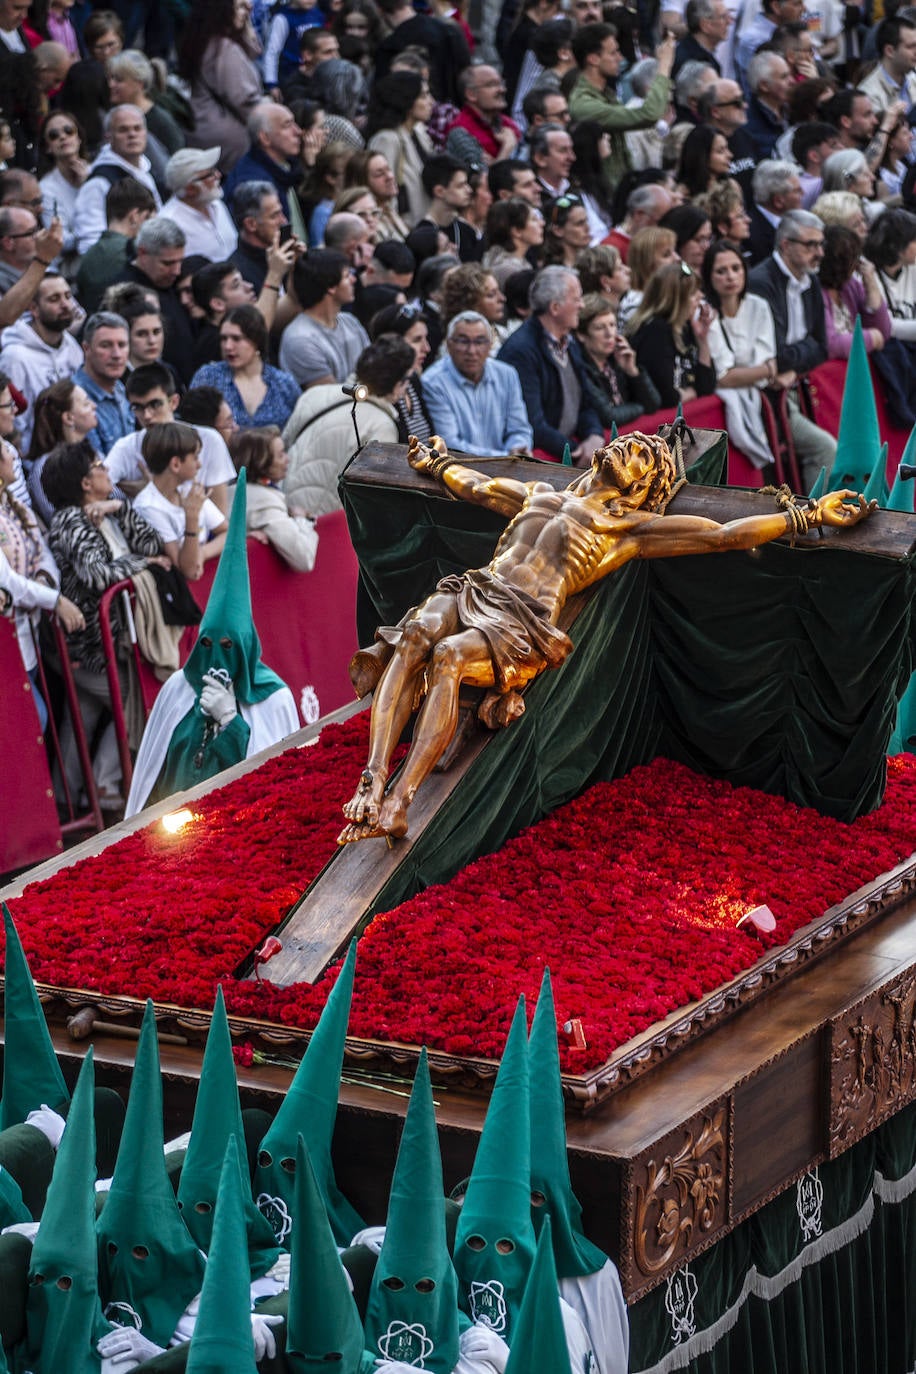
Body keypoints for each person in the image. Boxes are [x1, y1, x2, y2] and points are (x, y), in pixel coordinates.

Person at [339, 431, 874, 842]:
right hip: (477, 587)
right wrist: (435, 463)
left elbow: (723, 535)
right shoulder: (537, 493)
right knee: (414, 636)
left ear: (641, 486)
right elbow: (475, 485)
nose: (628, 448)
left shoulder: (625, 530)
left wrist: (807, 514)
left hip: (521, 621)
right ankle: (373, 777)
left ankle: (400, 801)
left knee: (448, 657)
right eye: (630, 442)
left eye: (641, 455)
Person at [124, 468, 299, 816]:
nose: (216, 655)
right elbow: (153, 774)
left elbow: (276, 787)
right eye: (206, 644)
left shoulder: (274, 698)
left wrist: (232, 723)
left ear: (246, 646)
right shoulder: (177, 689)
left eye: (228, 646)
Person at [43, 438, 168, 809]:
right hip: (88, 645)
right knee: (134, 702)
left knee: (83, 715)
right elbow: (98, 575)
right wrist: (142, 565)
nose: (107, 470)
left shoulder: (107, 509)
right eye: (99, 466)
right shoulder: (69, 520)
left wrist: (120, 507)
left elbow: (152, 544)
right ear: (85, 482)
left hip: (106, 643)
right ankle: (102, 785)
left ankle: (71, 798)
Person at [0, 392, 84, 732]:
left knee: (40, 721)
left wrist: (46, 581)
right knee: (34, 721)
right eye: (5, 452)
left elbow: (42, 551)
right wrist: (55, 600)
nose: (13, 455)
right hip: (7, 641)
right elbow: (6, 581)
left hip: (28, 635)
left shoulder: (14, 506)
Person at [748, 209, 837, 486]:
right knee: (825, 449)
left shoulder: (811, 280)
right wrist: (800, 353)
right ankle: (814, 513)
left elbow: (822, 347)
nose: (820, 253)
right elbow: (775, 355)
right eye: (811, 245)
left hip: (796, 388)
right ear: (786, 245)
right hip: (768, 397)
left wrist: (793, 366)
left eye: (821, 244)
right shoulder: (761, 282)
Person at [283, 335, 414, 517]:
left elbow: (284, 448)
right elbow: (371, 497)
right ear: (397, 384)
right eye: (407, 380)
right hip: (323, 523)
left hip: (282, 508)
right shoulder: (382, 426)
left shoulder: (314, 394)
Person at [497, 265, 604, 461]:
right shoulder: (520, 351)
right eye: (576, 299)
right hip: (544, 460)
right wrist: (575, 452)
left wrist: (594, 436)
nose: (582, 305)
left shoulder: (570, 342)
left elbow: (585, 403)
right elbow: (532, 424)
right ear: (555, 308)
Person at [105, 361, 235, 516]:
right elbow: (96, 487)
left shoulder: (209, 440)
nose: (147, 415)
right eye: (138, 407)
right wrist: (121, 497)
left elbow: (221, 515)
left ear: (174, 402)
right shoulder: (126, 447)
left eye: (155, 404)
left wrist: (152, 489)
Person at [567, 24, 674, 193]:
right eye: (613, 53)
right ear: (593, 59)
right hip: (601, 193)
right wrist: (664, 65)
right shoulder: (583, 104)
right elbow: (649, 114)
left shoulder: (607, 94)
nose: (620, 58)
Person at [702, 239, 780, 471]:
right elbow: (723, 377)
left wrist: (762, 371)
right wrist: (766, 370)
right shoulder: (705, 313)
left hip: (765, 402)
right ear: (709, 276)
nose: (730, 277)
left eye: (736, 268)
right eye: (721, 271)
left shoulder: (759, 305)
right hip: (726, 412)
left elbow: (764, 363)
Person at [422, 310, 533, 456]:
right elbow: (449, 444)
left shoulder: (507, 374)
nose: (472, 351)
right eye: (463, 341)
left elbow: (519, 429)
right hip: (457, 466)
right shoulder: (433, 382)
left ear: (490, 345)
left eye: (479, 342)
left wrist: (517, 447)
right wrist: (505, 457)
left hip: (507, 464)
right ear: (449, 345)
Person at [132, 421, 228, 581]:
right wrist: (192, 518)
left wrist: (203, 553)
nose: (199, 464)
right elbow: (189, 571)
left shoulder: (189, 490)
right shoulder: (148, 507)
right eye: (195, 457)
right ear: (176, 464)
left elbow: (229, 533)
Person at [177, 0, 263, 175]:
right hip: (229, 142)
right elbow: (245, 100)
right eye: (239, 7)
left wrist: (245, 30)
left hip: (204, 130)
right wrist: (270, 119)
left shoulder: (204, 40)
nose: (247, 11)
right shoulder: (224, 48)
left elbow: (252, 52)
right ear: (222, 11)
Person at [0, 270, 82, 451]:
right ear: (34, 309)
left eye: (68, 296)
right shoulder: (15, 357)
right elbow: (14, 424)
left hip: (73, 448)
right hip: (35, 457)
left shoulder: (71, 346)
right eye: (54, 299)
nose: (65, 305)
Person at [190, 303, 301, 430]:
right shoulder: (208, 377)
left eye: (236, 339)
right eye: (224, 339)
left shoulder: (284, 383)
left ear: (257, 340)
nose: (228, 346)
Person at [72, 104, 162, 254]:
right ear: (108, 136)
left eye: (137, 128)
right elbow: (90, 241)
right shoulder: (98, 182)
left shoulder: (146, 172)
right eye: (123, 130)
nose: (132, 134)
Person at [229, 425, 319, 571]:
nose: (287, 459)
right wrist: (302, 520)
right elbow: (304, 558)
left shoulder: (230, 491)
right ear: (261, 462)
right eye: (281, 455)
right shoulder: (265, 504)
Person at [629, 260, 717, 408]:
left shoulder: (686, 326)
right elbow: (669, 397)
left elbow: (707, 386)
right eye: (693, 293)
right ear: (674, 298)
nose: (700, 296)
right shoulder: (655, 331)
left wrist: (702, 340)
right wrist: (692, 392)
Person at [279, 249, 370, 387]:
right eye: (347, 276)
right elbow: (331, 395)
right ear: (330, 287)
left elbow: (374, 368)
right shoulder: (300, 339)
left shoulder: (351, 322)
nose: (354, 279)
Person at [575, 291, 660, 429]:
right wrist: (640, 407)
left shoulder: (617, 359)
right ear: (581, 335)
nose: (609, 334)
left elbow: (653, 404)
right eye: (600, 328)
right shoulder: (580, 367)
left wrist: (633, 371)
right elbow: (610, 417)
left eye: (612, 325)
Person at [74, 175, 157, 315]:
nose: (151, 227)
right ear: (134, 216)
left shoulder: (88, 257)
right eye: (148, 218)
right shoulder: (135, 254)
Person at [25, 378, 99, 525]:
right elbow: (58, 519)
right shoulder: (43, 469)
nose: (94, 406)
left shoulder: (90, 452)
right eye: (86, 404)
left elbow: (117, 495)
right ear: (69, 418)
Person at [366, 71, 435, 228]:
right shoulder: (386, 139)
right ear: (407, 101)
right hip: (402, 227)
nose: (431, 101)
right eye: (423, 96)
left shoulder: (419, 133)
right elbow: (381, 191)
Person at [818, 223, 892, 357]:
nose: (858, 263)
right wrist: (871, 338)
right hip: (831, 366)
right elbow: (830, 345)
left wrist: (871, 285)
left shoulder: (851, 286)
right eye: (854, 258)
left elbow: (883, 331)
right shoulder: (817, 291)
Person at [367, 300, 434, 442]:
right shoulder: (378, 390)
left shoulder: (412, 380)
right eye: (417, 340)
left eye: (425, 338)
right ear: (391, 344)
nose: (426, 348)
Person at [159, 146, 238, 261]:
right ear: (190, 189)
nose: (218, 175)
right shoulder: (169, 223)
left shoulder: (217, 204)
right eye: (210, 174)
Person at [106, 48, 186, 158]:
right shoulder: (112, 114)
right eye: (110, 79)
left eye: (119, 80)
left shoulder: (162, 122)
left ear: (140, 83)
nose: (111, 84)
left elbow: (178, 158)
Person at [37, 111, 89, 273]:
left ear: (79, 138)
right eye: (54, 135)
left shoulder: (98, 173)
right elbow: (61, 240)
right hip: (70, 267)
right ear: (47, 147)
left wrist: (87, 186)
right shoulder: (46, 188)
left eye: (69, 131)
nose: (63, 137)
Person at [483, 197, 544, 287]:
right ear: (517, 231)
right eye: (534, 219)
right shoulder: (508, 270)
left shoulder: (522, 262)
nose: (542, 223)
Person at [544, 192, 592, 267]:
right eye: (579, 223)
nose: (587, 228)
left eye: (586, 221)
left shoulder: (597, 264)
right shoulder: (552, 271)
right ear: (558, 230)